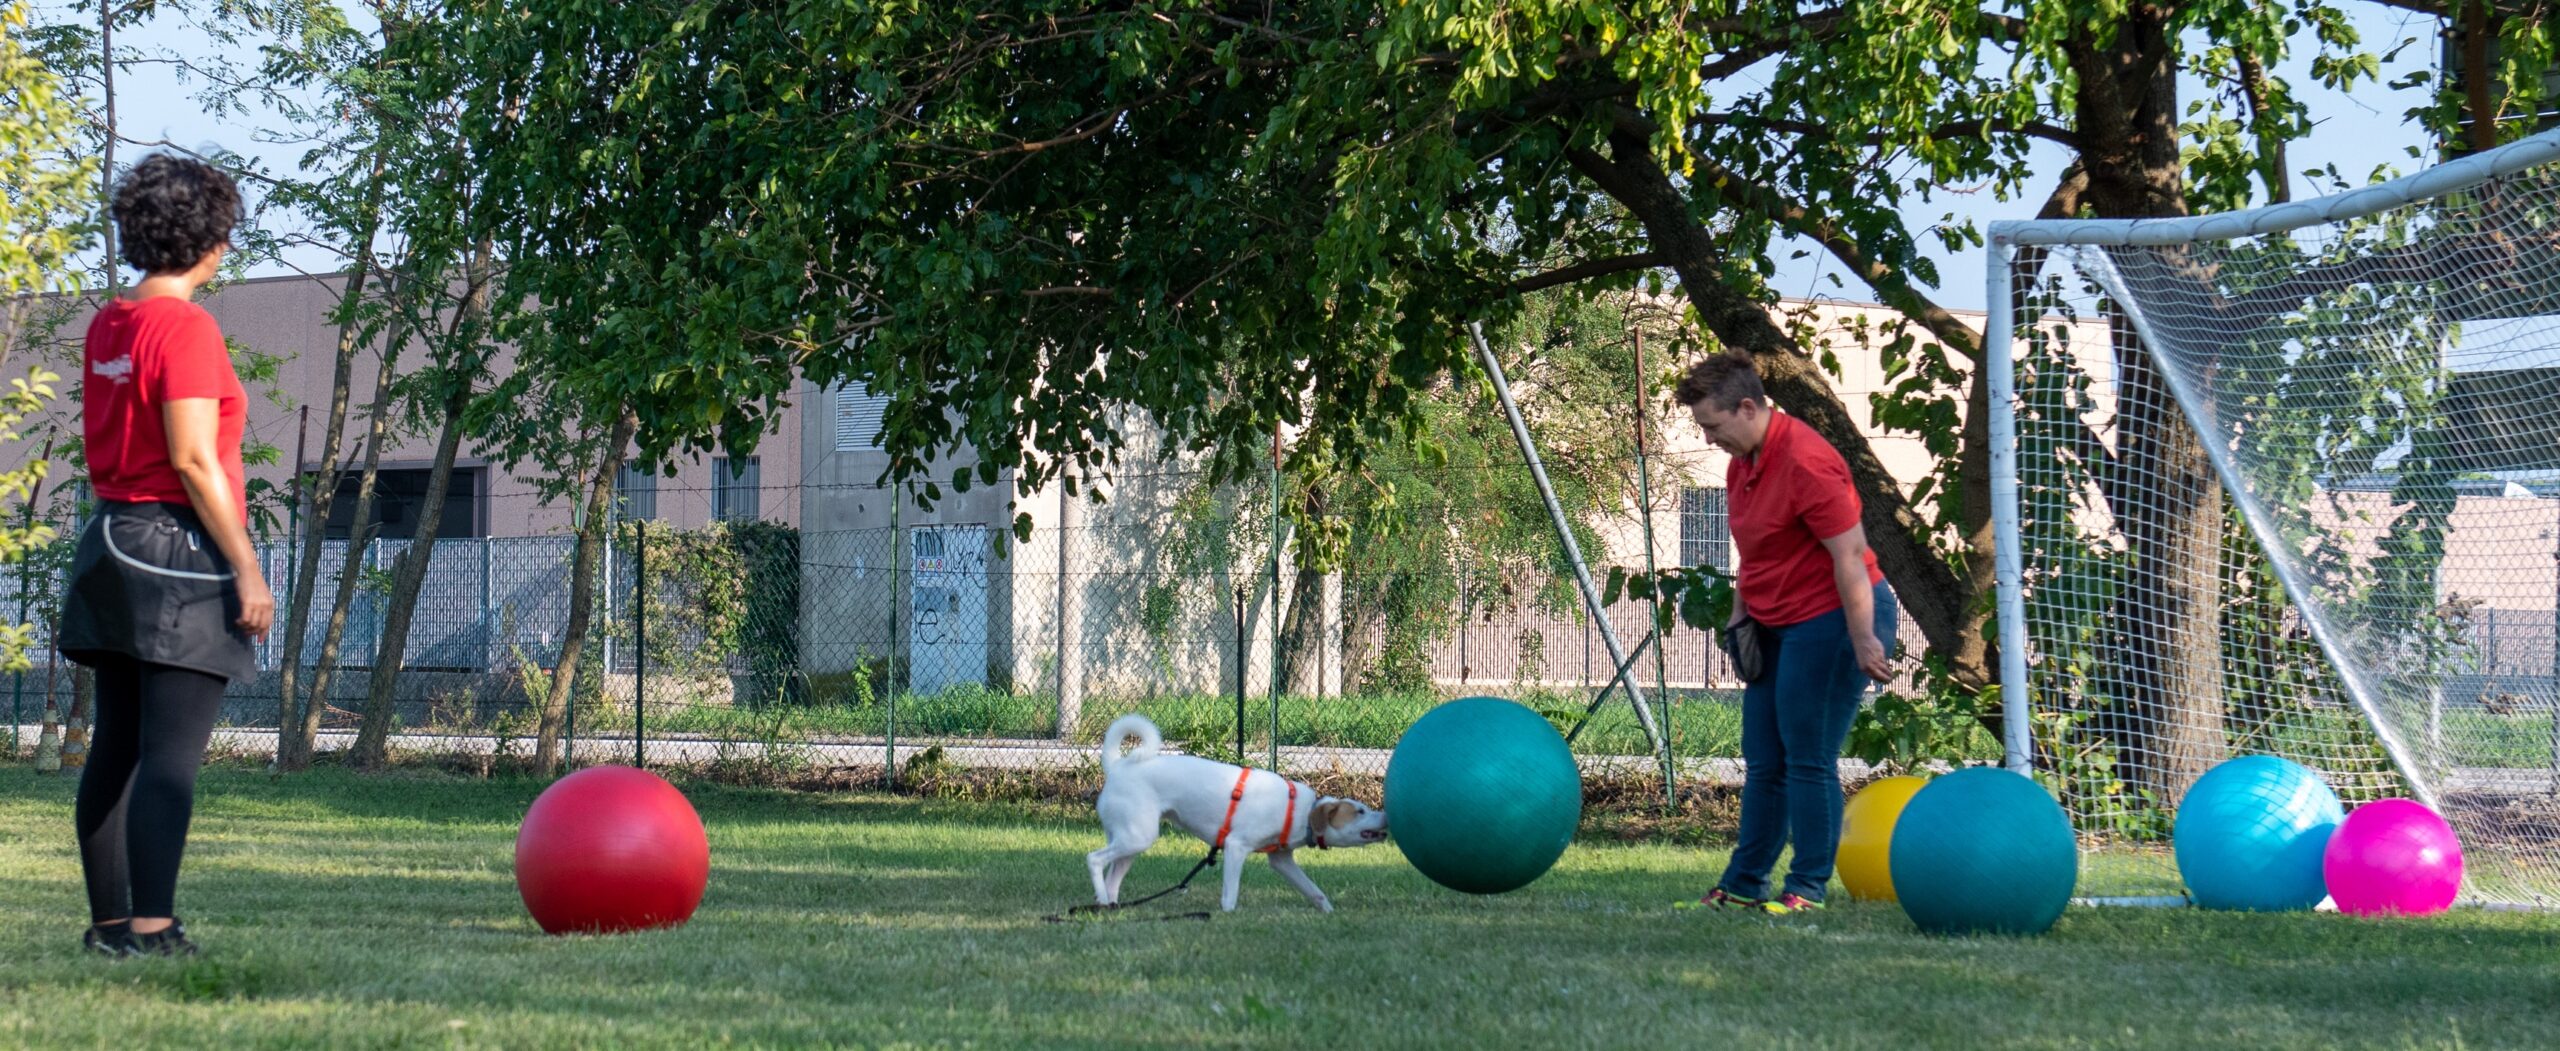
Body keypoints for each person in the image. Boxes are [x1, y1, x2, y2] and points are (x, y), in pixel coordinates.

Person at [56, 154, 271, 957]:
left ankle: (111, 927)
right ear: (213, 240)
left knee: (116, 744)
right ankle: (154, 929)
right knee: (169, 756)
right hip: (175, 549)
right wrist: (246, 566)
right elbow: (190, 456)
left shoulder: (112, 321)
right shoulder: (185, 327)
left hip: (111, 541)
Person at [1675, 351, 1896, 915]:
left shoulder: (1807, 462)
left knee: (1806, 756)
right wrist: (1737, 617)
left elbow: (1848, 555)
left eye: (1714, 426)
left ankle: (1807, 889)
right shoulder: (1741, 464)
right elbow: (1756, 552)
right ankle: (1746, 882)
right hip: (1774, 623)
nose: (1709, 439)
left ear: (1747, 408)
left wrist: (1865, 637)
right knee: (1764, 758)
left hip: (1834, 620)